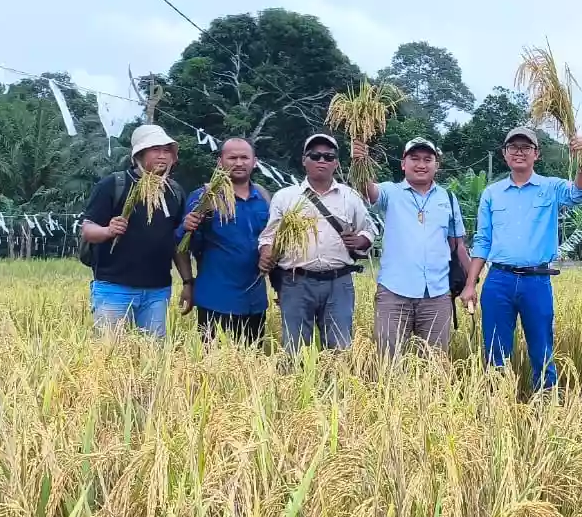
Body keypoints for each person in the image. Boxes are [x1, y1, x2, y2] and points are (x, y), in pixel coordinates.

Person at [459, 126, 582, 391]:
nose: (519, 152)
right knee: (495, 347)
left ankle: (545, 403)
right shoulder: (492, 193)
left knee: (542, 347)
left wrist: (580, 161)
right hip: (499, 280)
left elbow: (579, 195)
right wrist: (471, 283)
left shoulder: (551, 187)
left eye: (525, 148)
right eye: (513, 148)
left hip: (536, 280)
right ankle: (497, 402)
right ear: (504, 154)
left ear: (536, 154)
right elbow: (483, 241)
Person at [352, 136, 469, 360]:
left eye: (428, 159)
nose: (421, 164)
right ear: (403, 164)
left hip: (437, 294)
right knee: (388, 363)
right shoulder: (390, 192)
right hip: (394, 294)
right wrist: (361, 162)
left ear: (437, 165)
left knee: (435, 365)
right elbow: (367, 191)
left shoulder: (449, 199)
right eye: (414, 158)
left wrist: (471, 284)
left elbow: (458, 246)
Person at [258, 134, 377, 354]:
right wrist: (266, 253)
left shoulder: (349, 196)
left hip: (338, 282)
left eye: (328, 156)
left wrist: (360, 240)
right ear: (304, 160)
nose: (322, 160)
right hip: (296, 282)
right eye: (315, 155)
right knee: (294, 350)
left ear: (336, 163)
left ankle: (337, 388)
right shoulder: (286, 197)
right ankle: (294, 388)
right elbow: (269, 236)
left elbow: (369, 231)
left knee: (340, 349)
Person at [79, 124, 193, 338]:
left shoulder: (174, 191)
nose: (162, 156)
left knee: (153, 357)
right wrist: (108, 231)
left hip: (157, 291)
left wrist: (187, 282)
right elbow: (88, 229)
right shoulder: (114, 185)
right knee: (109, 356)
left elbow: (177, 244)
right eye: (155, 150)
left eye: (167, 150)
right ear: (139, 155)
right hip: (114, 288)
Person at [174, 137, 271, 343]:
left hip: (255, 301)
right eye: (232, 157)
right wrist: (187, 283)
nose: (238, 163)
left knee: (253, 367)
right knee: (214, 369)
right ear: (220, 162)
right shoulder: (204, 197)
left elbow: (272, 241)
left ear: (255, 162)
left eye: (244, 157)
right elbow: (180, 245)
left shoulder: (263, 197)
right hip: (216, 299)